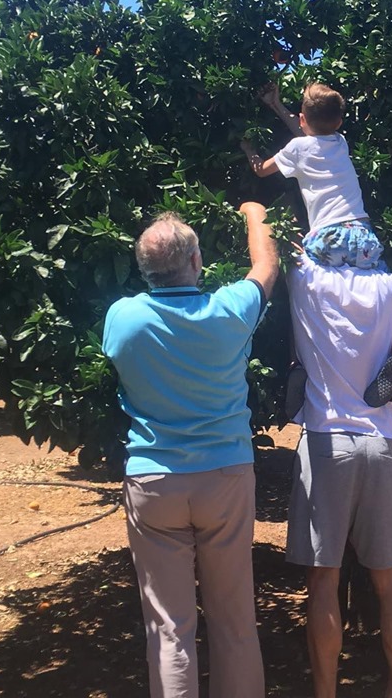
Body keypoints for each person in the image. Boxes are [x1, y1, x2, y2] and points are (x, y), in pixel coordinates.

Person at [102, 204, 278, 698]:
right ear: (197, 260)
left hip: (154, 480)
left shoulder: (123, 316)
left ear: (144, 269)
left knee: (169, 627)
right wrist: (255, 212)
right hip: (224, 475)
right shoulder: (229, 309)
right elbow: (266, 267)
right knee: (235, 617)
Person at [284, 253, 392, 698]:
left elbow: (274, 241)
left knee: (324, 578)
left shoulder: (306, 280)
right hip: (380, 441)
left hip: (327, 440)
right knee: (388, 576)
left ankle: (326, 693)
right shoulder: (387, 287)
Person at [243, 79, 392, 408]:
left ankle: (297, 364)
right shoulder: (340, 142)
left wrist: (248, 149)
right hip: (361, 234)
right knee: (389, 303)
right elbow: (308, 132)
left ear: (303, 118)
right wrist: (278, 106)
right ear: (339, 122)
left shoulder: (296, 150)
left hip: (327, 235)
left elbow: (263, 171)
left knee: (301, 296)